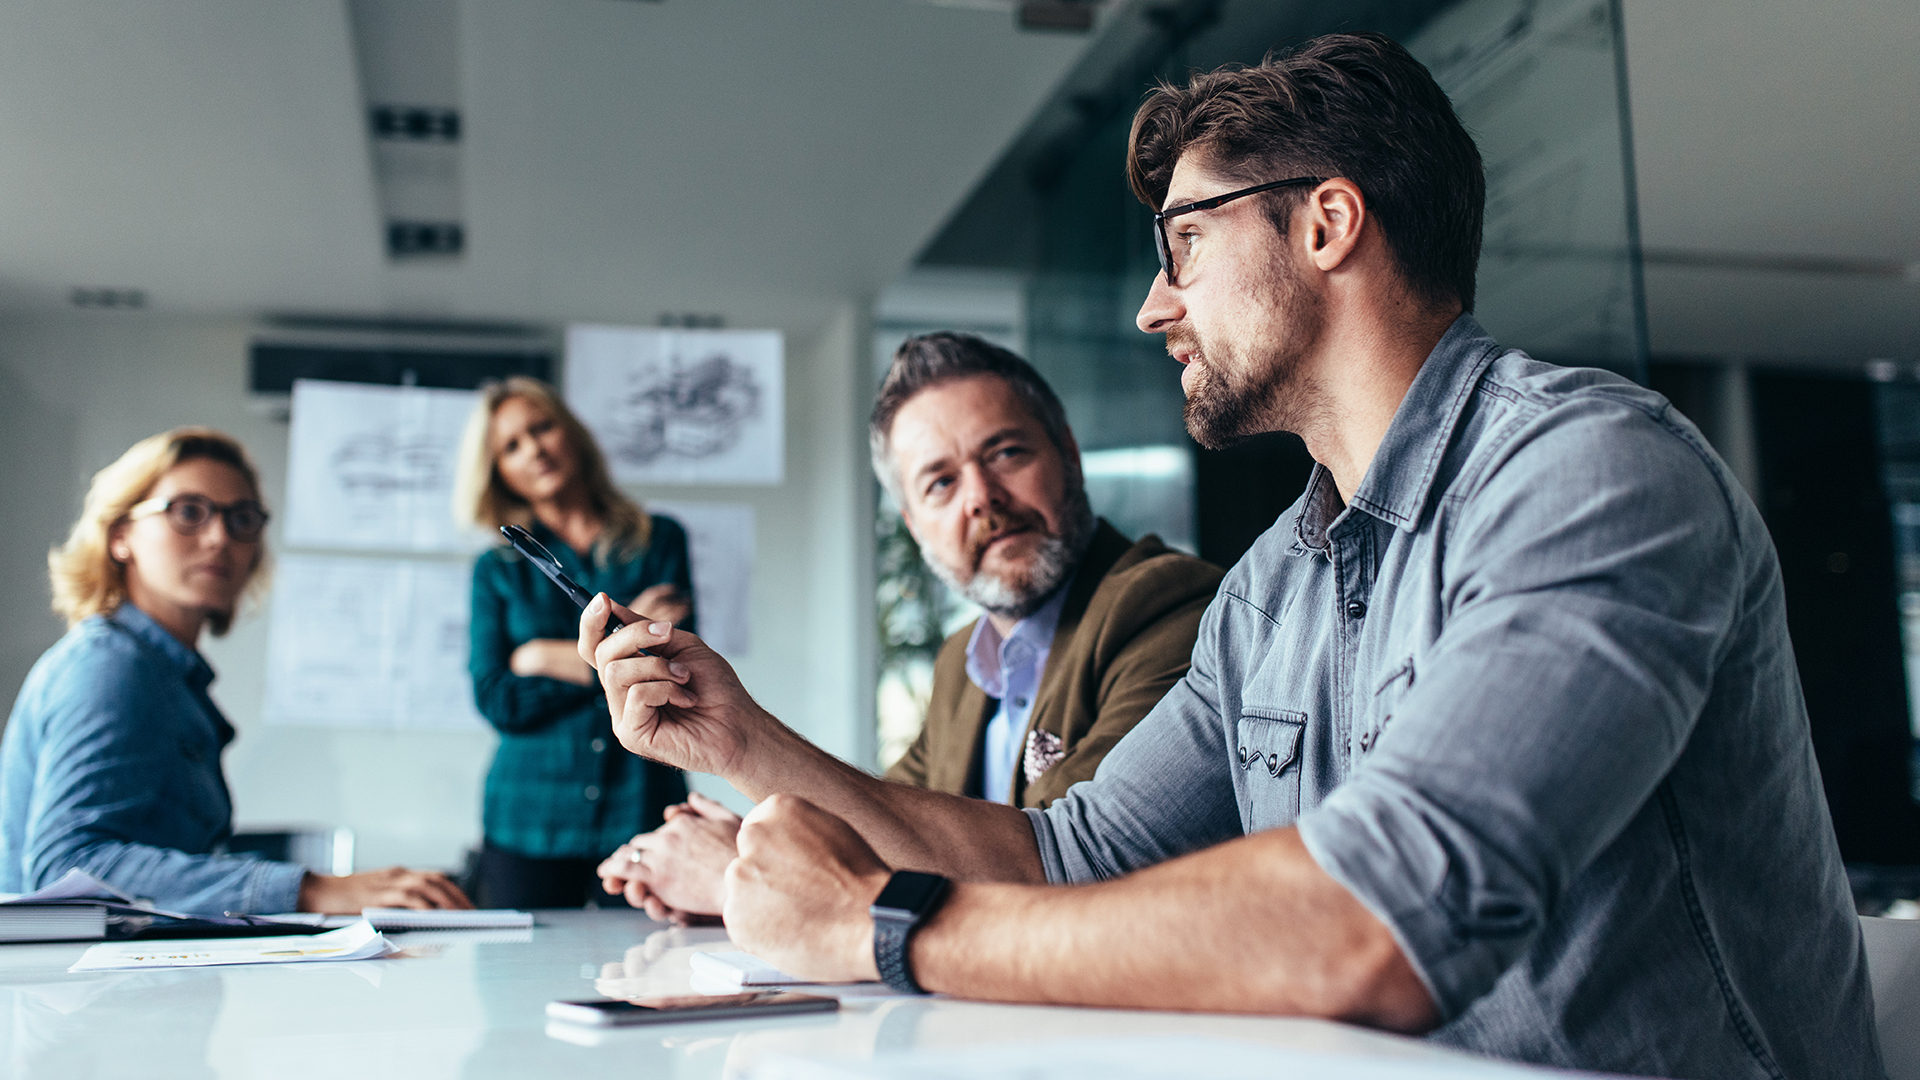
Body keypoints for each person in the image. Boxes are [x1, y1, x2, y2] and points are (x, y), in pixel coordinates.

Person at [578, 32, 1880, 1080]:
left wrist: (879, 928)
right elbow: (1066, 856)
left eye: (1186, 243)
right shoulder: (1276, 582)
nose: (1156, 304)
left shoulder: (1591, 474)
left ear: (1326, 225)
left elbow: (1377, 922)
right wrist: (739, 741)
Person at [594, 333, 1223, 918]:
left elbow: (1060, 870)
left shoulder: (1168, 606)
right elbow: (885, 830)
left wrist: (740, 869)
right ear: (913, 523)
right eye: (940, 483)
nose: (981, 496)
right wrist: (757, 835)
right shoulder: (962, 663)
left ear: (1069, 454)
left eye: (1005, 453)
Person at [0, 428, 471, 916]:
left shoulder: (167, 677)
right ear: (121, 535)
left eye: (241, 519)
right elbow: (66, 868)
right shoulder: (111, 667)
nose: (219, 537)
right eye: (188, 511)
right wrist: (311, 889)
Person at [456, 376, 694, 909]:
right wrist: (617, 655)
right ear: (498, 472)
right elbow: (497, 698)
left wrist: (539, 657)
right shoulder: (496, 571)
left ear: (571, 434)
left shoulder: (660, 541)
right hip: (528, 818)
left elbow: (672, 668)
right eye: (511, 446)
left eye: (542, 428)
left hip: (640, 807)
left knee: (649, 974)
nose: (534, 449)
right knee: (519, 985)